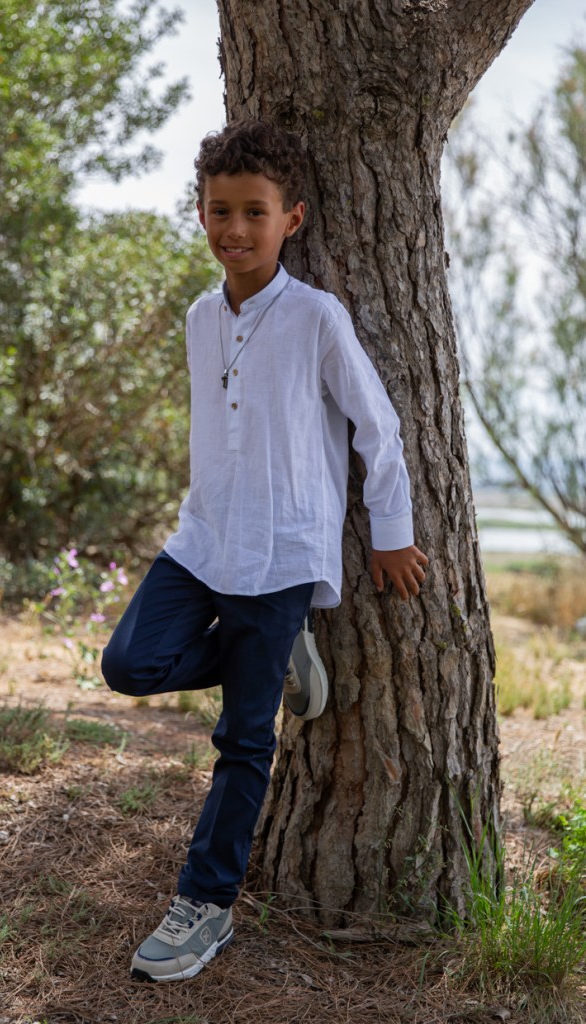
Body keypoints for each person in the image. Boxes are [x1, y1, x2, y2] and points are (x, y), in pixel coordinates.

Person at [101, 119, 428, 983]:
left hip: (281, 549)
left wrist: (391, 533)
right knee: (130, 664)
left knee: (243, 741)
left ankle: (204, 907)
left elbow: (377, 427)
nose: (235, 228)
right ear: (200, 214)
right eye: (220, 211)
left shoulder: (316, 316)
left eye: (254, 211)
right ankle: (270, 652)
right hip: (203, 537)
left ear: (292, 219)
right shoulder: (199, 317)